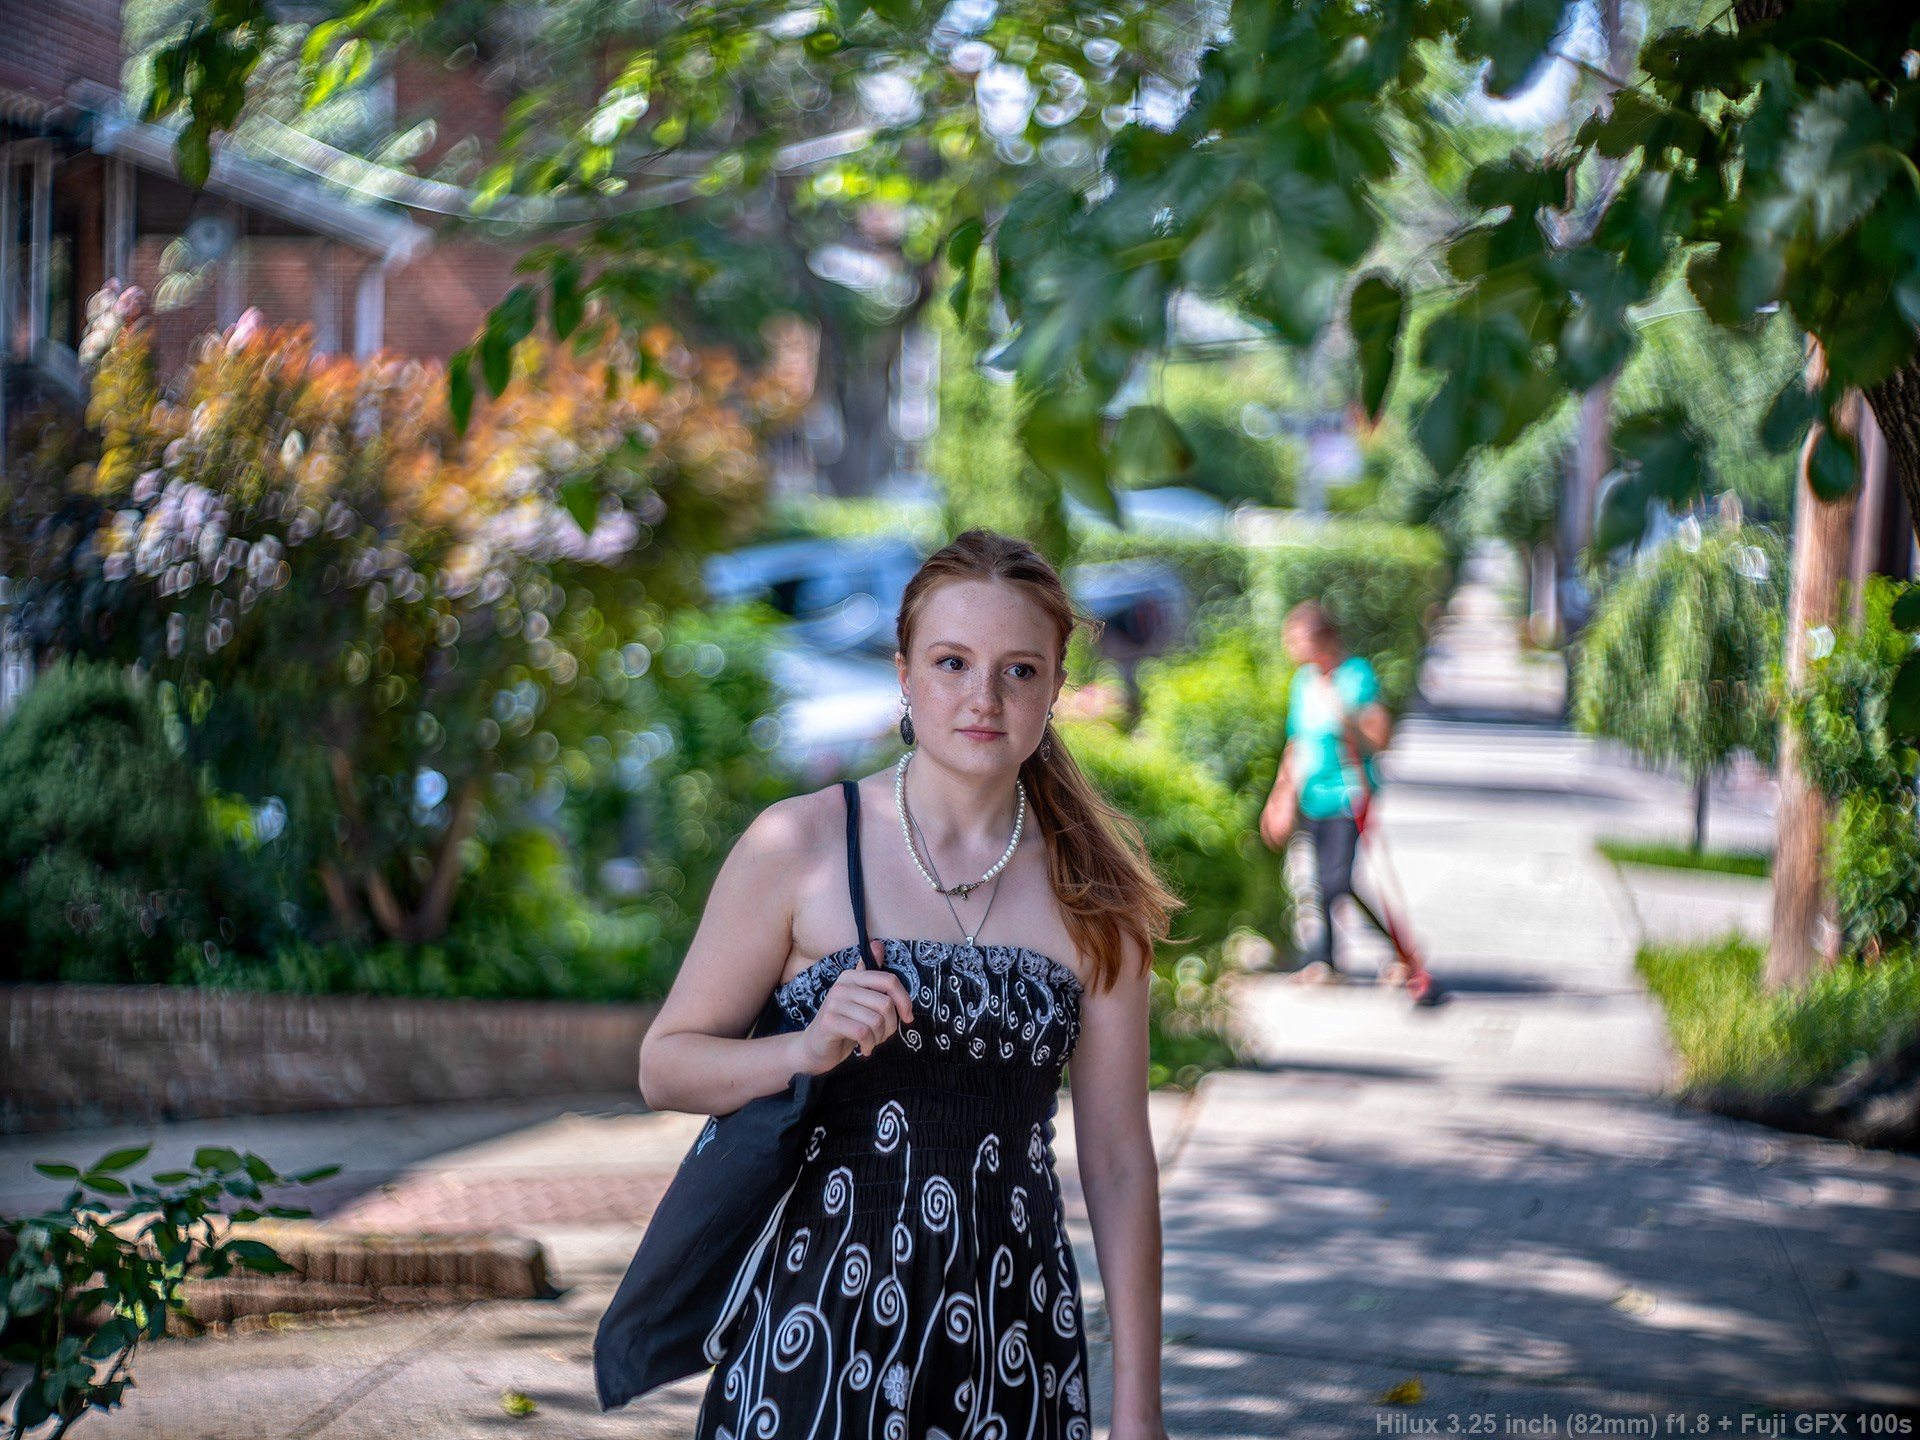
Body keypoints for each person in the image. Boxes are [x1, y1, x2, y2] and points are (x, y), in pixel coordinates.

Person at [638, 528, 1181, 1440]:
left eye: (1018, 671)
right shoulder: (800, 845)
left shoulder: (1096, 897)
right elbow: (665, 1067)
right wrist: (802, 1050)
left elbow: (1121, 1163)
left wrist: (1139, 1406)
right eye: (951, 662)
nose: (983, 697)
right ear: (903, 674)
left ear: (1055, 686)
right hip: (818, 1328)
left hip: (1014, 1333)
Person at [1260, 600, 1397, 983]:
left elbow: (1381, 738)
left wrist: (1346, 714)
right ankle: (1325, 962)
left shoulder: (1355, 675)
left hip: (1348, 793)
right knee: (1322, 879)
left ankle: (1394, 951)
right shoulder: (1303, 682)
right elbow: (1297, 743)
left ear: (1321, 637)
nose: (1289, 646)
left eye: (1295, 638)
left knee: (1335, 882)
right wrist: (1280, 797)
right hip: (1312, 795)